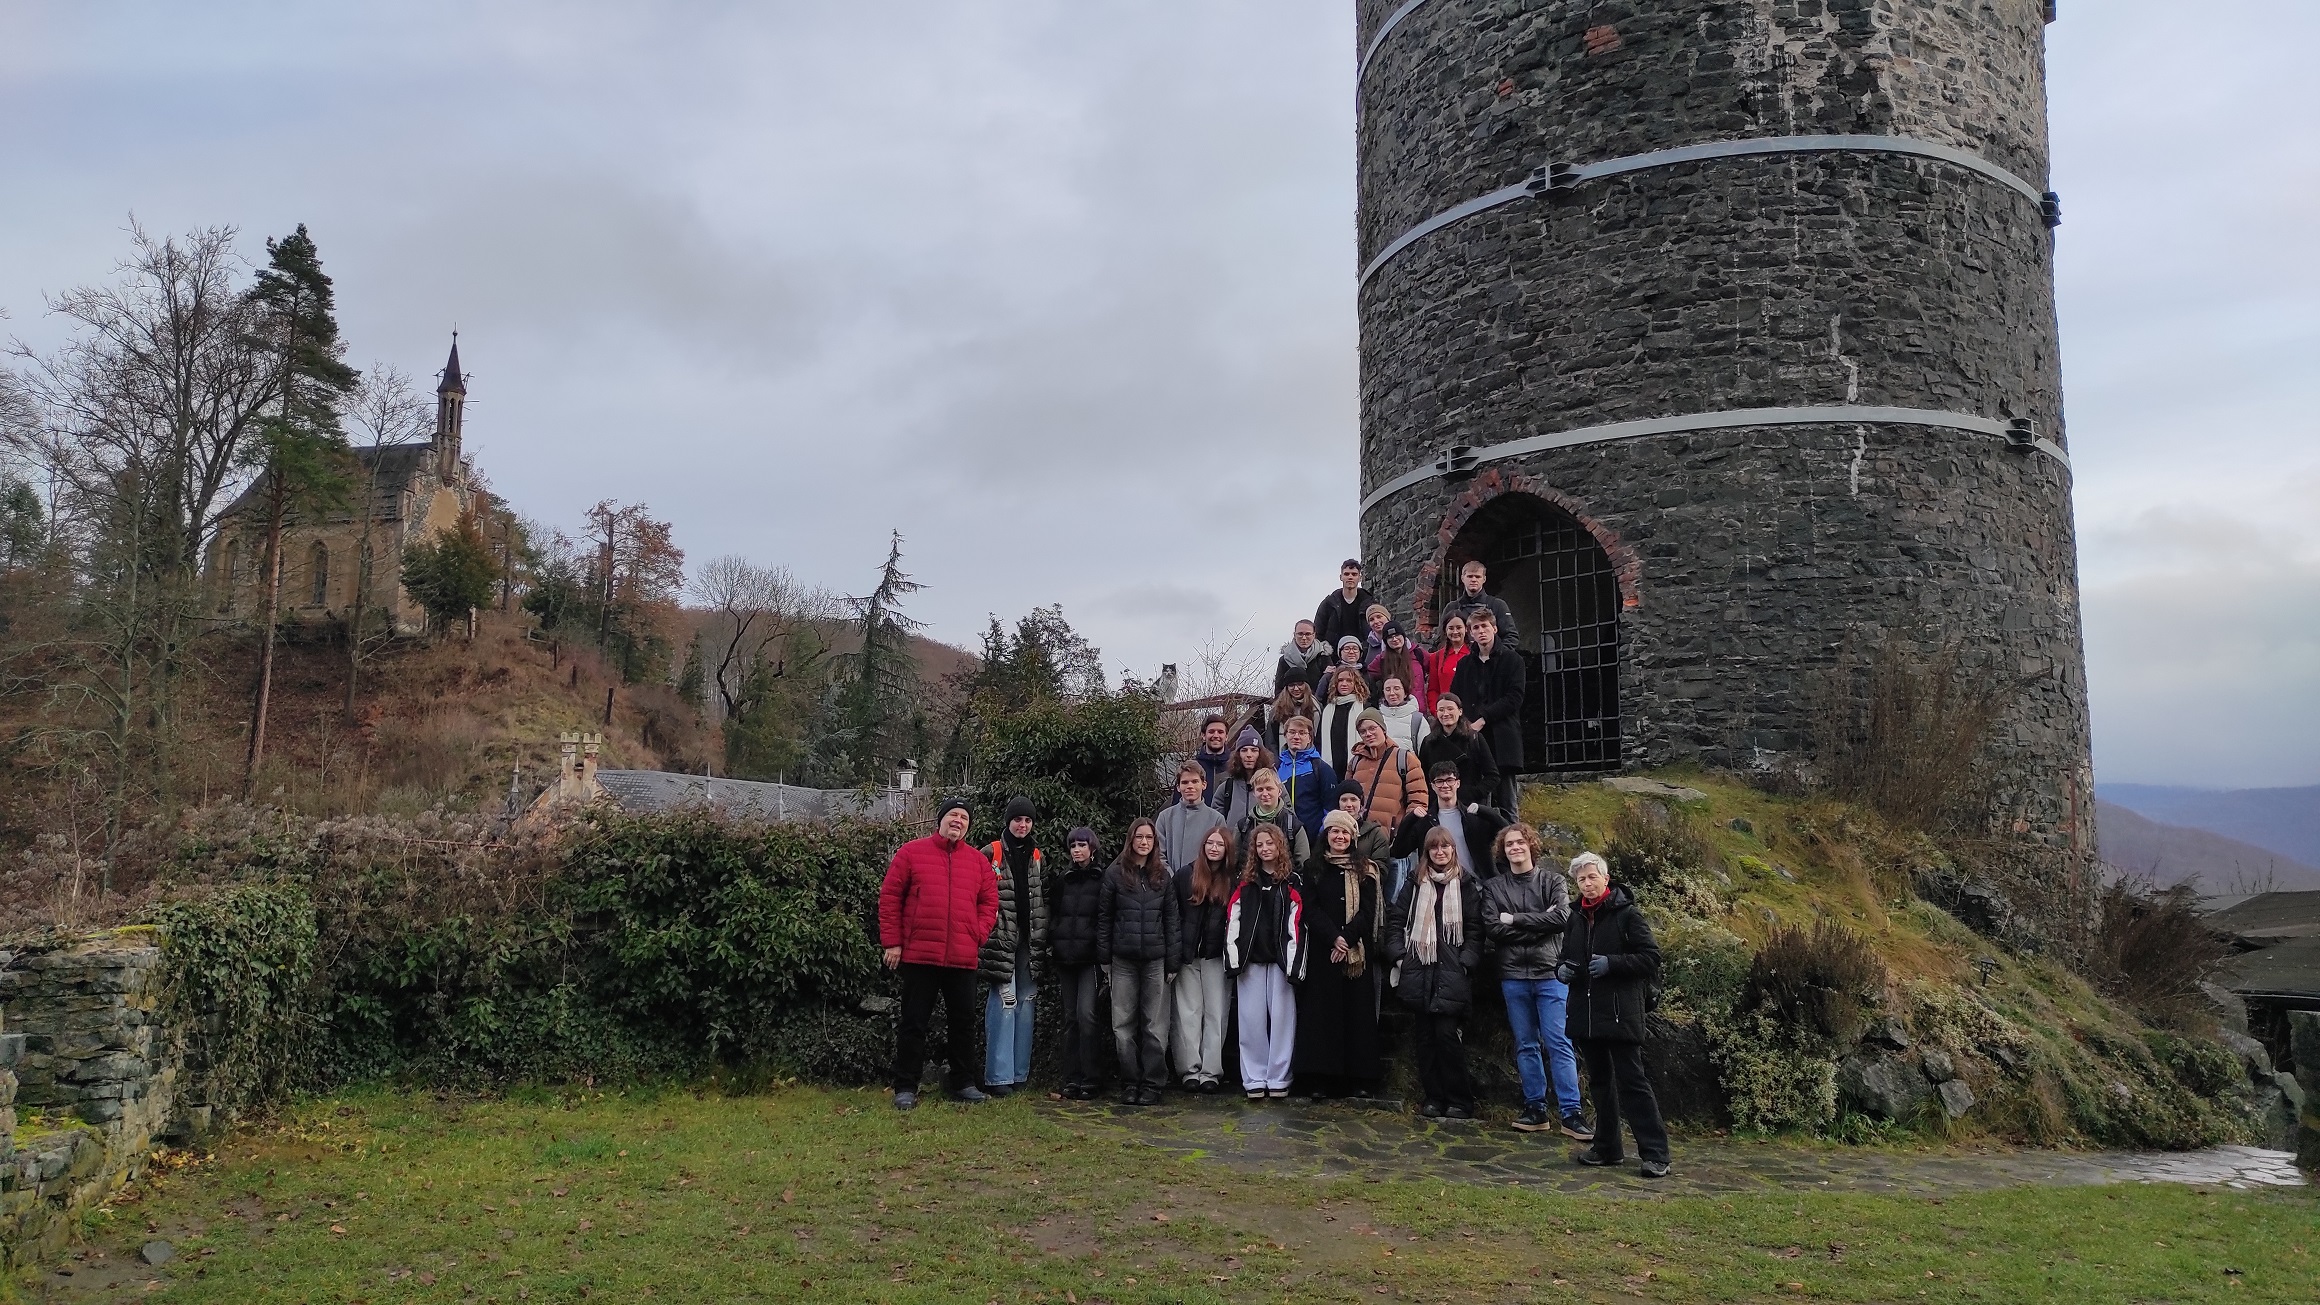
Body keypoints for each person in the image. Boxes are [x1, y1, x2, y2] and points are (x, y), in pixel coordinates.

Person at [880, 797, 999, 1109]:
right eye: (953, 815)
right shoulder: (911, 853)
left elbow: (989, 903)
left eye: (964, 817)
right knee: (913, 1022)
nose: (958, 821)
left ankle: (964, 1083)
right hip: (920, 955)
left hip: (962, 956)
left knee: (963, 1023)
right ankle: (906, 1087)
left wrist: (977, 934)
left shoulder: (978, 862)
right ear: (941, 820)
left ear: (968, 825)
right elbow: (890, 897)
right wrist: (892, 942)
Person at [1557, 852, 1670, 1177]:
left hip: (1621, 1013)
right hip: (1587, 1014)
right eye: (1581, 879)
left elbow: (1651, 957)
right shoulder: (1575, 917)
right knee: (1600, 1083)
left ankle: (1656, 1154)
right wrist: (1561, 970)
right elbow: (1565, 956)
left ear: (1606, 879)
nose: (1587, 883)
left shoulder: (1627, 914)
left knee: (1632, 1082)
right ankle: (1607, 1148)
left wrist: (1613, 963)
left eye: (1592, 876)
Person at [1484, 823, 1591, 1138]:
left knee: (1559, 1042)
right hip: (1513, 975)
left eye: (1520, 842)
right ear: (1503, 851)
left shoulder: (1552, 880)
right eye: (1509, 844)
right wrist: (1539, 925)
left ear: (1531, 845)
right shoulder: (1494, 887)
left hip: (1549, 973)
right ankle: (1535, 1109)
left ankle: (1572, 1113)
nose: (1515, 848)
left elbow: (1561, 918)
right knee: (1526, 1044)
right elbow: (1493, 928)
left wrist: (1515, 919)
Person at [1386, 826, 1484, 1119]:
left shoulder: (1465, 884)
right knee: (1425, 1040)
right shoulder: (1415, 882)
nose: (1440, 852)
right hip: (1419, 969)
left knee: (1447, 1038)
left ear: (1453, 849)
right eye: (1434, 848)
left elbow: (1475, 929)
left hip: (1451, 971)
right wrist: (1400, 958)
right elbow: (1396, 921)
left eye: (1445, 847)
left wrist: (1466, 961)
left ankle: (1459, 1100)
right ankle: (1433, 1098)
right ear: (1427, 852)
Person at [1292, 809, 1383, 1097]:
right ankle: (1321, 1078)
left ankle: (1358, 1078)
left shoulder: (1365, 869)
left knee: (1357, 1016)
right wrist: (1333, 938)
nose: (1339, 836)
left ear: (1353, 837)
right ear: (1326, 835)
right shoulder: (1313, 867)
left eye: (1345, 832)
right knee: (1322, 1015)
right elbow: (1310, 907)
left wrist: (1346, 938)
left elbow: (1368, 910)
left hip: (1356, 953)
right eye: (1334, 831)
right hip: (1324, 951)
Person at [1099, 817, 1182, 1107]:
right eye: (1139, 837)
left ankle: (1153, 1084)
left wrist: (1173, 962)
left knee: (1155, 1027)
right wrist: (1104, 959)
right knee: (1122, 1026)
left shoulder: (1163, 876)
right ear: (1131, 840)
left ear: (1154, 842)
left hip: (1156, 961)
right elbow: (1104, 918)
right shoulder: (1115, 874)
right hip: (1122, 960)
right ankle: (1130, 1082)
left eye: (1149, 838)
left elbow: (1172, 920)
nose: (1144, 842)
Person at [1226, 822, 1306, 1099]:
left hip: (1281, 963)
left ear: (1280, 845)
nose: (1264, 849)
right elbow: (1233, 921)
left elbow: (1297, 924)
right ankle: (1254, 1078)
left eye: (1269, 843)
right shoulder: (1245, 883)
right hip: (1250, 962)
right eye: (1259, 844)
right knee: (1250, 1022)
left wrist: (1294, 965)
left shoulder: (1292, 882)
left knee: (1283, 1021)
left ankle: (1279, 1077)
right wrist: (1233, 960)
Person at [977, 796, 1048, 1098]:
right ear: (1008, 821)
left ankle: (1019, 1074)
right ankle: (998, 1076)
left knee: (1026, 1003)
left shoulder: (1036, 855)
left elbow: (1042, 897)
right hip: (1001, 940)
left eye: (1028, 820)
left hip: (1030, 940)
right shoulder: (991, 852)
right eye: (1018, 819)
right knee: (1004, 1002)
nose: (1023, 825)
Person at [1172, 825, 1237, 1093]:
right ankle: (1189, 1070)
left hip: (1217, 956)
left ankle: (1211, 1072)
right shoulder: (1185, 875)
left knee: (1216, 1014)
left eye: (1219, 844)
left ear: (1227, 849)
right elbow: (1173, 914)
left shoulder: (1232, 879)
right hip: (1188, 956)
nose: (1214, 848)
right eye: (1210, 843)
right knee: (1187, 1013)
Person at [1048, 826, 1108, 1100]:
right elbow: (1055, 913)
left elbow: (1105, 918)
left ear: (1092, 848)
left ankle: (1092, 1078)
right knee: (1070, 1018)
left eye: (1082, 845)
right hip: (1066, 958)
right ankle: (1071, 1078)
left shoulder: (1102, 880)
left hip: (1090, 960)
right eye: (1073, 846)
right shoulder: (1063, 880)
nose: (1077, 850)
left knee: (1087, 1015)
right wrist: (1055, 940)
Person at [1448, 607, 1526, 811]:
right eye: (1476, 628)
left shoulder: (1513, 660)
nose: (1481, 631)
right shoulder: (1464, 664)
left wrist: (1483, 719)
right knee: (1476, 805)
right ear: (1470, 633)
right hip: (1472, 738)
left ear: (1494, 628)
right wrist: (1465, 724)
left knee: (1507, 803)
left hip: (1501, 736)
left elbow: (1514, 698)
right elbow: (1455, 698)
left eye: (1485, 626)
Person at [1390, 762, 1509, 881]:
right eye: (1439, 781)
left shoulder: (1474, 817)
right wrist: (1410, 818)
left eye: (1449, 780)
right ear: (1433, 786)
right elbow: (1399, 852)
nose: (1445, 785)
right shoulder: (1425, 822)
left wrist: (1485, 811)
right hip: (1439, 884)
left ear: (1458, 783)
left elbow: (1508, 833)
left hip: (1477, 884)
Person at [1273, 715, 1339, 846]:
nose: (1296, 737)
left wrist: (1321, 834)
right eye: (1292, 732)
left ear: (1309, 738)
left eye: (1302, 733)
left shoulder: (1321, 769)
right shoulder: (1276, 768)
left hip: (1313, 838)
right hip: (1281, 838)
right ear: (1285, 735)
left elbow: (1330, 808)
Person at [1419, 692, 1499, 800]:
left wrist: (1474, 794)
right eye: (1441, 710)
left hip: (1468, 804)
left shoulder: (1474, 739)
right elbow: (1422, 777)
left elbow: (1493, 776)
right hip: (1438, 804)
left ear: (1460, 711)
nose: (1445, 713)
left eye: (1450, 709)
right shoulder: (1428, 742)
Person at [1156, 760, 1228, 874]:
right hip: (1171, 881)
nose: (1190, 786)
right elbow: (1159, 855)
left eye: (1195, 781)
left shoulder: (1216, 819)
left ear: (1204, 785)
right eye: (1185, 782)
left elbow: (1221, 856)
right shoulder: (1165, 817)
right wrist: (1173, 879)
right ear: (1178, 787)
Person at [1237, 767, 1311, 865]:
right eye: (1260, 789)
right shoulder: (1243, 826)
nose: (1265, 794)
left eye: (1269, 788)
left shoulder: (1293, 825)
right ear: (1254, 793)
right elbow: (1234, 859)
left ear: (1279, 791)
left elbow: (1303, 862)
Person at [1445, 559, 1519, 648]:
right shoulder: (1452, 607)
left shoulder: (1497, 605)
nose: (1473, 580)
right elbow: (1442, 637)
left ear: (1484, 579)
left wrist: (1496, 654)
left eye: (1477, 577)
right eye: (1470, 576)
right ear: (1462, 578)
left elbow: (1511, 637)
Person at [1313, 666, 1370, 779]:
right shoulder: (1328, 710)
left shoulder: (1365, 708)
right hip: (1332, 769)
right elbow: (1319, 741)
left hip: (1358, 767)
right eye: (1340, 680)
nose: (1344, 684)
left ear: (1356, 683)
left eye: (1349, 681)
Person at [1313, 559, 1379, 652]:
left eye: (1354, 574)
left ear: (1360, 578)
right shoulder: (1328, 603)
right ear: (1341, 577)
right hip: (1333, 655)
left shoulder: (1370, 603)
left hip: (1364, 654)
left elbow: (1379, 629)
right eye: (1346, 574)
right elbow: (1317, 632)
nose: (1350, 577)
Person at [1212, 728, 1274, 825]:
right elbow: (1215, 821)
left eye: (1254, 750)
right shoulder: (1227, 786)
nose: (1249, 755)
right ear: (1238, 755)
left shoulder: (1273, 784)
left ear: (1261, 754)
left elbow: (1287, 816)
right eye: (1244, 750)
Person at [1331, 780, 1392, 867]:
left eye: (1353, 800)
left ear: (1361, 803)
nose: (1349, 804)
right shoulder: (1329, 830)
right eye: (1344, 800)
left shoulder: (1375, 833)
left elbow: (1381, 866)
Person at [1420, 613, 1470, 715]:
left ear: (1466, 629)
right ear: (1445, 630)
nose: (1455, 631)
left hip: (1471, 715)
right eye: (1451, 628)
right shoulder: (1437, 657)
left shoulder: (1475, 654)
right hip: (1446, 716)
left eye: (1459, 627)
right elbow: (1433, 690)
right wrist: (1437, 712)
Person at [1369, 623, 1425, 710]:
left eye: (1397, 635)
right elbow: (1368, 675)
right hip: (1392, 710)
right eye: (1390, 637)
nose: (1394, 639)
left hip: (1418, 709)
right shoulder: (1382, 659)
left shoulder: (1418, 653)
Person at [1374, 675, 1433, 754]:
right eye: (1387, 689)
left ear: (1405, 693)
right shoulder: (1376, 718)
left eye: (1396, 688)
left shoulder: (1417, 720)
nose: (1392, 693)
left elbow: (1426, 753)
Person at [1273, 619, 1331, 696]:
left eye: (1308, 634)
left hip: (1318, 702)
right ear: (1294, 635)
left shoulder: (1323, 656)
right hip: (1291, 702)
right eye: (1300, 634)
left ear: (1314, 635)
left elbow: (1331, 686)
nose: (1304, 638)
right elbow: (1279, 690)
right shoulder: (1285, 660)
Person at [1267, 679, 1319, 753]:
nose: (1296, 688)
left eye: (1300, 684)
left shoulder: (1316, 707)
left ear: (1306, 685)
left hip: (1311, 754)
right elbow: (1271, 740)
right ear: (1286, 688)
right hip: (1283, 755)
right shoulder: (1278, 710)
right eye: (1291, 685)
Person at [1189, 715, 1234, 795]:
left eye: (1220, 732)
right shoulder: (1191, 767)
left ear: (1226, 736)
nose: (1216, 735)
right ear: (1203, 735)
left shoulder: (1236, 766)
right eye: (1211, 732)